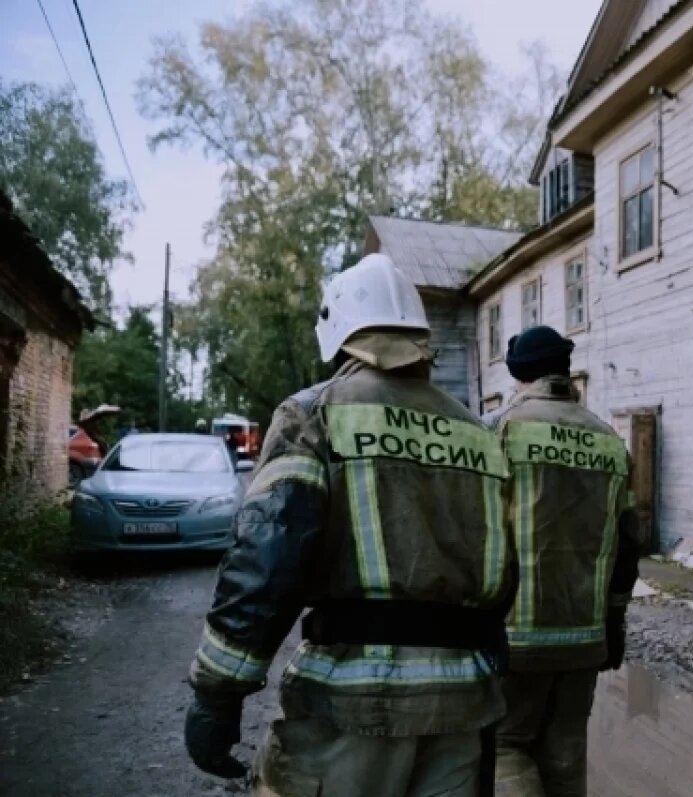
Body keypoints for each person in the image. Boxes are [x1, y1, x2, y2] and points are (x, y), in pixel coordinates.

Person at [183, 253, 516, 797]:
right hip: (465, 701)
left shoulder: (316, 413)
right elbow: (505, 571)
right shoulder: (477, 432)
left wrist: (218, 691)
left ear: (338, 332)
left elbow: (267, 555)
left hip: (354, 705)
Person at [489, 326, 641, 797]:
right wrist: (614, 624)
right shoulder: (609, 441)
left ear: (518, 374)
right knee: (566, 753)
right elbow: (627, 546)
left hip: (512, 639)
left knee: (504, 748)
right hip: (584, 636)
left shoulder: (499, 430)